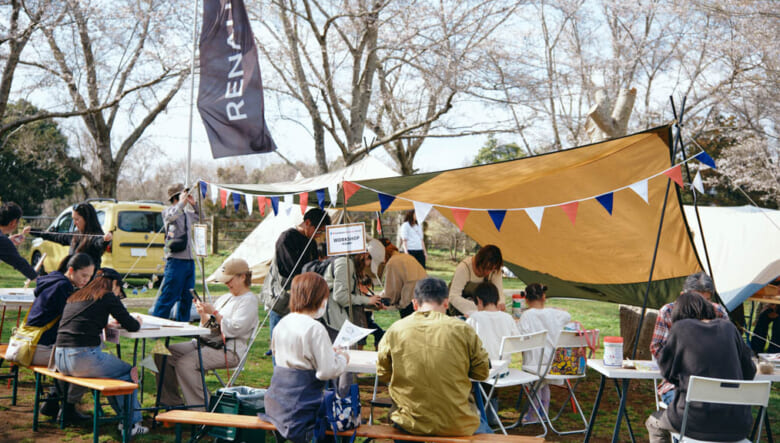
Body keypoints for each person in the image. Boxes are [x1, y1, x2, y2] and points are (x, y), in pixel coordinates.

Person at [377, 277, 492, 436]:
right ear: (446, 302)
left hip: (409, 422)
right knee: (486, 430)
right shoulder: (462, 330)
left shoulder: (395, 330)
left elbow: (383, 374)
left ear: (415, 303)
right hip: (457, 422)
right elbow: (482, 373)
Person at [645, 292, 756, 443]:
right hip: (737, 426)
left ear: (678, 314)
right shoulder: (729, 328)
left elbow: (667, 372)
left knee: (653, 423)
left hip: (693, 423)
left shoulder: (680, 328)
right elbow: (750, 371)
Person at [54, 268, 147, 437]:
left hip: (59, 359)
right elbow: (132, 326)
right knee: (127, 372)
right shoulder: (107, 295)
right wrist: (137, 321)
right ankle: (131, 423)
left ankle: (123, 417)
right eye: (119, 288)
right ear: (114, 284)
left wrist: (106, 325)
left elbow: (82, 323)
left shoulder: (77, 295)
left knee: (113, 373)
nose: (119, 293)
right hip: (81, 357)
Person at [156, 258, 259, 409]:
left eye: (229, 280)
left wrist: (215, 313)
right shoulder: (226, 298)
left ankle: (202, 411)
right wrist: (203, 314)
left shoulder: (249, 300)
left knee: (186, 363)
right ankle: (171, 404)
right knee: (162, 353)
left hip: (229, 350)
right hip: (207, 343)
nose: (226, 284)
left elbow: (236, 329)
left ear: (243, 277)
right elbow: (208, 327)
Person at [264, 272, 349, 443]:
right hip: (304, 408)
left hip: (277, 404)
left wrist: (325, 352)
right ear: (320, 298)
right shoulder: (315, 328)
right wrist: (342, 360)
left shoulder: (283, 322)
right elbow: (325, 372)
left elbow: (283, 354)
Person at [27, 253, 94, 422]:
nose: (86, 280)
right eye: (83, 275)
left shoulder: (53, 280)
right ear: (71, 270)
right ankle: (68, 408)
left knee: (70, 355)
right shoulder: (62, 287)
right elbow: (72, 322)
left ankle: (52, 401)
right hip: (38, 348)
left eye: (90, 277)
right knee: (83, 360)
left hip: (30, 343)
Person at [649, 272, 729, 405]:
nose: (702, 306)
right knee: (692, 408)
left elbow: (730, 350)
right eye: (697, 300)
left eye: (707, 300)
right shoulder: (668, 311)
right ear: (683, 296)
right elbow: (657, 348)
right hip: (678, 383)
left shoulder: (718, 312)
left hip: (714, 382)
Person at [264, 208, 331, 345]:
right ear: (307, 222)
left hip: (302, 303)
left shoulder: (311, 242)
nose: (320, 235)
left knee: (299, 345)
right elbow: (294, 271)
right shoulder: (287, 238)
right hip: (282, 300)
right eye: (318, 230)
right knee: (280, 345)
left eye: (322, 232)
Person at [466, 281, 520, 426]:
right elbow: (516, 340)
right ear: (497, 300)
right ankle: (492, 414)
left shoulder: (475, 319)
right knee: (489, 375)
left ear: (479, 301)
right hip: (503, 371)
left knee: (473, 372)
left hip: (483, 371)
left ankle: (479, 414)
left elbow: (465, 343)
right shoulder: (507, 318)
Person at [516, 283, 571, 423]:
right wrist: (553, 309)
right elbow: (567, 315)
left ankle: (533, 415)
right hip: (553, 363)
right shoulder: (554, 314)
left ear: (526, 300)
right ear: (544, 297)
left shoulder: (526, 315)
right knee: (544, 383)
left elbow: (521, 336)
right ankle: (544, 412)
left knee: (536, 384)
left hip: (534, 361)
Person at [151, 184, 200, 322]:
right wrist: (181, 203)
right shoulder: (168, 212)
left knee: (187, 296)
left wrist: (194, 204)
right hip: (175, 261)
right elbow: (172, 217)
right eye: (184, 194)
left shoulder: (187, 215)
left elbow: (200, 217)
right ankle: (157, 325)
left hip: (189, 262)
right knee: (169, 295)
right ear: (176, 197)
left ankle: (182, 325)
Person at [32, 202, 112, 270]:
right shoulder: (75, 235)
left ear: (87, 219)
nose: (74, 223)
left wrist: (105, 240)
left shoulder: (95, 236)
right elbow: (55, 236)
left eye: (77, 219)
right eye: (73, 219)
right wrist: (33, 231)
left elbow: (99, 243)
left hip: (88, 281)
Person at [322, 250, 383, 338]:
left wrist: (373, 303)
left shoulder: (349, 263)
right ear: (363, 256)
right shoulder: (345, 264)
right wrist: (368, 300)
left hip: (338, 316)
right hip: (335, 319)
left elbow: (352, 294)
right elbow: (340, 296)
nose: (366, 267)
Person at [368, 238, 427, 318]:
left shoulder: (393, 262)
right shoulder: (406, 257)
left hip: (411, 306)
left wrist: (377, 300)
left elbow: (391, 295)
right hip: (426, 300)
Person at [449, 244, 505, 317]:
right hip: (460, 311)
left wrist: (500, 304)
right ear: (479, 262)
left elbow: (499, 292)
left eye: (492, 269)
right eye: (486, 268)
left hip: (485, 311)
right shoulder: (464, 267)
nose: (488, 272)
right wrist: (478, 309)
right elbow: (453, 296)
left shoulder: (495, 270)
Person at [0, 201, 38, 280]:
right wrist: (41, 280)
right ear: (13, 222)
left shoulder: (3, 241)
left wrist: (9, 241)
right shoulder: (3, 241)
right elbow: (20, 263)